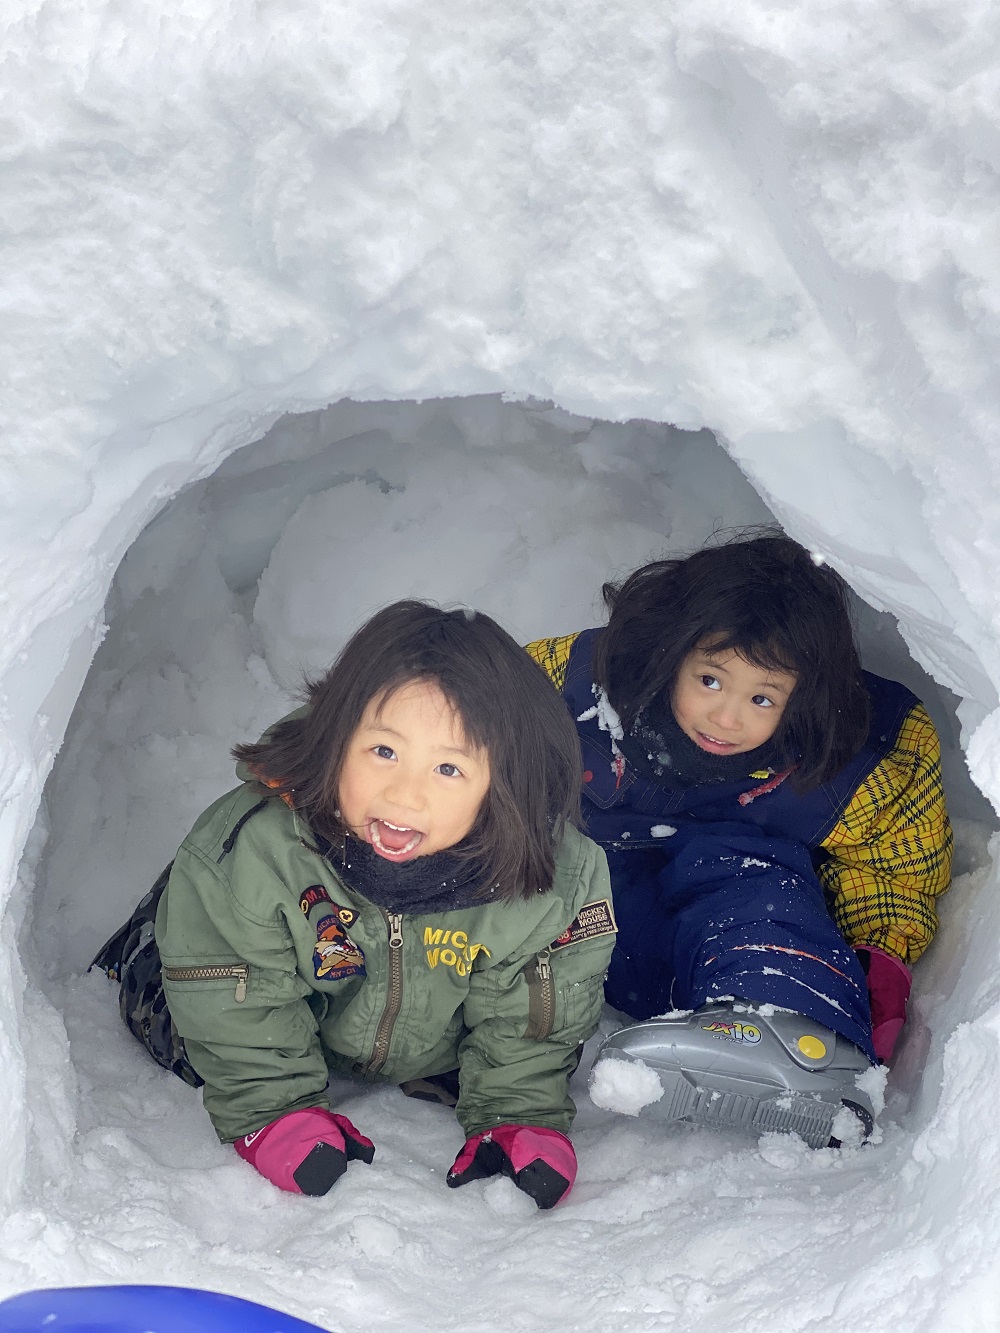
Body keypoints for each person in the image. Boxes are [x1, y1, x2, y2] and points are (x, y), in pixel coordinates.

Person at [94, 602, 615, 1208]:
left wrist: (517, 1110)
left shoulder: (554, 875)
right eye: (384, 753)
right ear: (339, 738)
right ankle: (156, 925)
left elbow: (537, 1010)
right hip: (230, 980)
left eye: (449, 768)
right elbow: (234, 990)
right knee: (173, 1006)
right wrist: (276, 1108)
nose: (404, 793)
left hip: (426, 1029)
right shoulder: (258, 850)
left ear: (505, 783)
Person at [526, 532, 951, 1108]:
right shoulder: (585, 686)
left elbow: (893, 857)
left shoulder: (843, 751)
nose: (726, 717)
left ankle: (788, 1038)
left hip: (736, 900)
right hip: (597, 897)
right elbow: (475, 732)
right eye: (710, 681)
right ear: (671, 651)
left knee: (762, 900)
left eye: (762, 699)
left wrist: (876, 956)